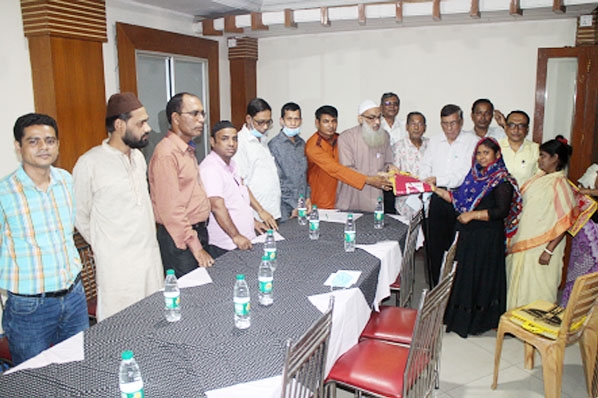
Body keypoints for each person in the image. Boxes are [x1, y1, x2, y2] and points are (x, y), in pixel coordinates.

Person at [0, 113, 89, 365]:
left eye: (50, 141)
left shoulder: (66, 180)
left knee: (77, 368)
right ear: (18, 147)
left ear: (57, 145)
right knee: (33, 377)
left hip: (73, 296)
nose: (43, 147)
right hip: (29, 307)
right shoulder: (4, 192)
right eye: (34, 141)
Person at [73, 93, 163, 321]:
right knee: (120, 327)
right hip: (117, 268)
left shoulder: (139, 158)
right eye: (141, 123)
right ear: (120, 125)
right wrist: (104, 243)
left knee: (153, 320)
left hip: (150, 260)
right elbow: (78, 214)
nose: (148, 128)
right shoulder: (89, 163)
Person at [435, 138, 521, 337]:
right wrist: (435, 190)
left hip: (487, 237)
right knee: (465, 274)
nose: (482, 157)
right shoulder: (474, 175)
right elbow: (458, 199)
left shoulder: (502, 179)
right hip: (468, 234)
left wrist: (473, 215)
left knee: (481, 276)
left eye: (486, 153)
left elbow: (501, 211)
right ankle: (459, 318)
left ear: (497, 155)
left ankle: (479, 321)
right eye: (479, 153)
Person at [506, 136, 596, 309]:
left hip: (543, 248)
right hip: (524, 241)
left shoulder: (560, 184)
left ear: (555, 158)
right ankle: (516, 322)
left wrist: (548, 250)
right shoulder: (538, 178)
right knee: (519, 284)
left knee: (537, 288)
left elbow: (566, 221)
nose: (539, 160)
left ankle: (537, 327)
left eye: (543, 156)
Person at [149, 92, 214, 278]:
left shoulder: (187, 150)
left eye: (202, 114)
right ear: (176, 118)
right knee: (189, 300)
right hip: (180, 240)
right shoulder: (166, 154)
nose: (201, 119)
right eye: (194, 114)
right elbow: (171, 210)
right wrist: (195, 246)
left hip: (196, 233)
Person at [420, 104, 478, 287]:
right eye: (445, 124)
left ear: (461, 122)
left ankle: (457, 289)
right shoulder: (435, 141)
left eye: (453, 123)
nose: (449, 128)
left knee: (459, 248)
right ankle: (435, 287)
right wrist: (427, 179)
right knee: (435, 247)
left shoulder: (473, 142)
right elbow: (424, 166)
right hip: (437, 198)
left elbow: (464, 174)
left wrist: (437, 179)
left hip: (460, 198)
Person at [200, 121, 277, 258]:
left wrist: (253, 221)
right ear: (212, 141)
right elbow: (217, 207)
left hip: (244, 239)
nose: (231, 143)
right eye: (225, 139)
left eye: (235, 139)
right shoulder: (210, 168)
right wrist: (235, 236)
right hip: (227, 244)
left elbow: (239, 197)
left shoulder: (232, 164)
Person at [305, 105, 391, 209]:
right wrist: (369, 180)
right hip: (322, 200)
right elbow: (336, 169)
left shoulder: (340, 138)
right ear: (317, 123)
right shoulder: (313, 146)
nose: (331, 125)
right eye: (326, 121)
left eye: (334, 121)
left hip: (342, 197)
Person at [336, 100, 394, 212]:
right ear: (360, 119)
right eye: (371, 118)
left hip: (375, 201)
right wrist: (371, 180)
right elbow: (347, 169)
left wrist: (391, 168)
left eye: (379, 117)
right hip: (351, 200)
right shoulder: (346, 137)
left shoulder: (385, 136)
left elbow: (388, 162)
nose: (377, 122)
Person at [232, 98, 281, 222]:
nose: (265, 127)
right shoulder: (240, 142)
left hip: (272, 212)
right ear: (249, 119)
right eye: (260, 122)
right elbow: (240, 184)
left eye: (268, 122)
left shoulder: (263, 140)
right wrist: (260, 211)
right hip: (256, 216)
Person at [561, 164, 598, 306]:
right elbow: (580, 192)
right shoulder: (593, 169)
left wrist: (592, 192)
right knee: (578, 269)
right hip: (587, 229)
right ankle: (571, 308)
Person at [268, 102, 311, 222]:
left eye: (296, 119)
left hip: (302, 207)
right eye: (289, 119)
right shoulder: (274, 145)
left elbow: (305, 176)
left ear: (301, 121)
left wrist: (307, 198)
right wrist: (295, 205)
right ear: (281, 121)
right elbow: (278, 181)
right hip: (284, 209)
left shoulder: (302, 144)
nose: (293, 123)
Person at [392, 111, 429, 216]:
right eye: (413, 124)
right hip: (404, 204)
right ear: (407, 127)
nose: (416, 128)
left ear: (425, 128)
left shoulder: (431, 145)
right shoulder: (398, 146)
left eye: (420, 124)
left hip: (427, 203)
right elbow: (394, 175)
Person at [498, 110, 539, 186]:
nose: (516, 130)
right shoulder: (496, 147)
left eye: (521, 126)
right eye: (512, 125)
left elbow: (540, 179)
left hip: (527, 196)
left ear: (527, 129)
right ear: (506, 127)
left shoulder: (536, 150)